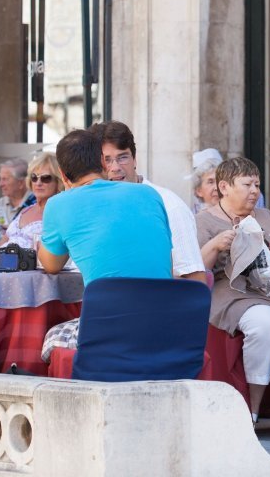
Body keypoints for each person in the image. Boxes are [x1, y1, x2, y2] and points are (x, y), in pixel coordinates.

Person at [38, 129, 173, 360]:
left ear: (62, 174)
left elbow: (51, 265)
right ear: (103, 161)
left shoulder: (58, 204)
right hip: (164, 323)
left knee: (50, 337)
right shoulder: (149, 194)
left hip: (108, 328)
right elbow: (167, 266)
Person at [196, 157, 270, 424]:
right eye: (247, 184)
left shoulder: (266, 215)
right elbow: (196, 268)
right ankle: (254, 408)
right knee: (268, 326)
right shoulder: (205, 221)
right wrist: (214, 245)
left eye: (257, 184)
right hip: (234, 293)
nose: (255, 190)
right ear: (224, 187)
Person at [89, 121, 205, 283]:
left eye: (122, 157)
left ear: (134, 160)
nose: (115, 167)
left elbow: (196, 281)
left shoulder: (169, 206)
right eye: (106, 160)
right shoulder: (89, 206)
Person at [0, 153, 64, 250]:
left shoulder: (61, 213)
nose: (38, 183)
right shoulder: (26, 210)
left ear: (58, 182)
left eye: (45, 178)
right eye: (34, 177)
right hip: (1, 263)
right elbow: (0, 245)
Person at [0, 158, 35, 243]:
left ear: (21, 183)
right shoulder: (0, 203)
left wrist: (12, 230)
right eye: (0, 179)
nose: (0, 184)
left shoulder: (36, 203)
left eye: (5, 179)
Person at [191, 148, 223, 214]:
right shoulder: (193, 219)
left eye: (220, 181)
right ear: (199, 190)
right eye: (211, 182)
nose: (217, 188)